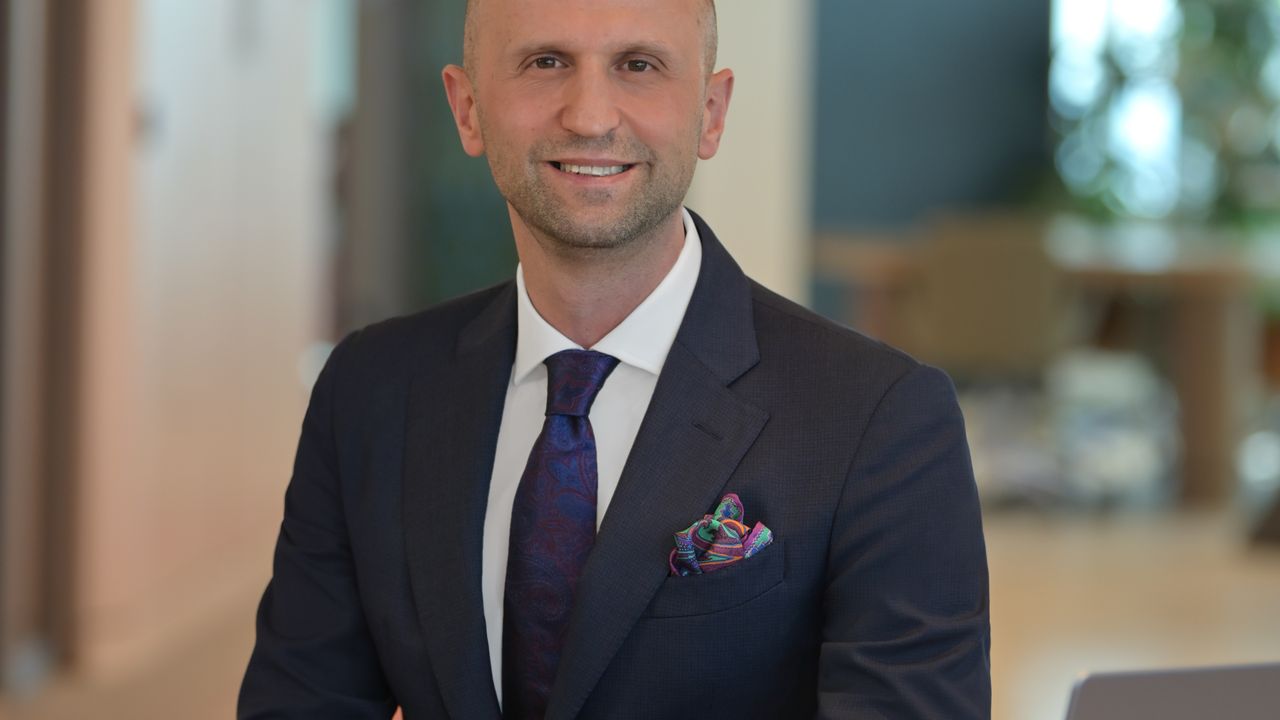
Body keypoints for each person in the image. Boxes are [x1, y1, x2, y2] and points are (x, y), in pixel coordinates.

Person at [237, 0, 991, 718]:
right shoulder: (368, 391)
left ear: (711, 113)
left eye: (638, 65)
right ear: (467, 109)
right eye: (545, 62)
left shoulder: (879, 417)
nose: (591, 116)